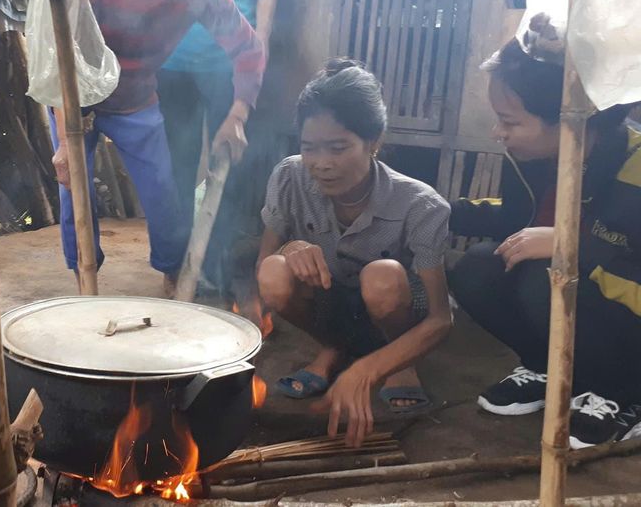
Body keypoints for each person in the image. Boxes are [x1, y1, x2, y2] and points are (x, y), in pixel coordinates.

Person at [448, 36, 641, 448]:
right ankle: (548, 368)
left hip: (630, 322)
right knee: (478, 267)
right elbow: (514, 221)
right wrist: (438, 210)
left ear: (570, 118)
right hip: (582, 298)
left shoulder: (636, 167)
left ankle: (624, 392)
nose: (499, 133)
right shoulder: (531, 159)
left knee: (545, 276)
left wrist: (571, 245)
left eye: (511, 121)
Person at [256, 59, 452, 447]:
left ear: (374, 141)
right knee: (274, 274)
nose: (322, 164)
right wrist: (291, 247)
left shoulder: (421, 205)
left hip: (395, 310)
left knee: (381, 277)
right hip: (335, 302)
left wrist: (367, 371)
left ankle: (399, 361)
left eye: (338, 147)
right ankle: (333, 347)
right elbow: (264, 262)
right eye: (309, 148)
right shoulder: (288, 176)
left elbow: (440, 319)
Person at [50, 0, 266, 293]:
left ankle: (173, 275)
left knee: (162, 190)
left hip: (136, 96)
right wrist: (66, 142)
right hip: (73, 95)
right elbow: (60, 55)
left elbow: (248, 48)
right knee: (75, 192)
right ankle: (84, 282)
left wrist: (238, 115)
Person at [156, 0, 281, 292]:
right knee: (175, 166)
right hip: (172, 59)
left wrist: (258, 53)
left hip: (229, 61)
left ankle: (215, 264)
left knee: (227, 163)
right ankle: (176, 267)